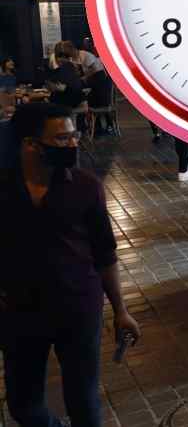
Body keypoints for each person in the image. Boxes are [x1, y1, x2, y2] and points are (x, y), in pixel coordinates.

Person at [1, 103, 141, 425]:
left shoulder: (86, 187)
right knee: (24, 405)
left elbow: (105, 253)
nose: (74, 144)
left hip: (77, 308)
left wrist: (120, 311)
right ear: (30, 145)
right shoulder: (4, 188)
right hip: (20, 313)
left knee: (84, 402)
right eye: (63, 139)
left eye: (75, 135)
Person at [46, 44, 85, 109]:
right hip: (76, 101)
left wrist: (52, 86)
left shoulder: (65, 68)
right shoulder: (73, 67)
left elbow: (62, 88)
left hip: (67, 104)